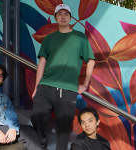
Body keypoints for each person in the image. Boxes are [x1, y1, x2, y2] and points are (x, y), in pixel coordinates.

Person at [31, 3, 95, 150]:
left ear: (70, 17)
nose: (63, 16)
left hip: (68, 89)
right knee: (36, 116)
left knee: (64, 130)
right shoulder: (49, 39)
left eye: (66, 14)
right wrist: (36, 87)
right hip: (46, 85)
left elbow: (91, 60)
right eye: (60, 14)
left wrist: (85, 84)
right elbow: (41, 63)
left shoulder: (80, 38)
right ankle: (42, 140)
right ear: (56, 18)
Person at [0, 63, 42, 150]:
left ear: (2, 80)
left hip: (1, 127)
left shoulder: (4, 97)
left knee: (28, 130)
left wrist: (13, 128)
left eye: (0, 76)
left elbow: (12, 116)